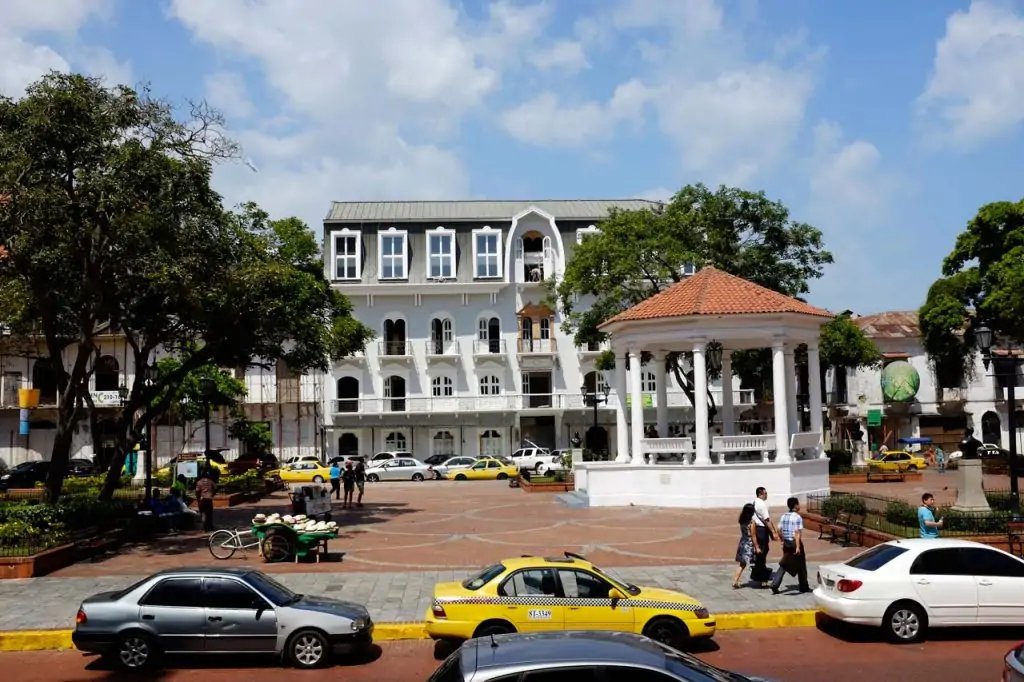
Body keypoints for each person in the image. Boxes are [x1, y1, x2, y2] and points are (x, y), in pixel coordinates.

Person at [771, 497, 811, 594]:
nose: (799, 505)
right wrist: (797, 547)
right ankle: (803, 586)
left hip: (786, 543)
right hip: (794, 543)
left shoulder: (784, 516)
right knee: (801, 564)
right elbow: (797, 533)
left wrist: (782, 540)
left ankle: (775, 583)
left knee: (785, 563)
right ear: (795, 505)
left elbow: (779, 530)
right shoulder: (797, 517)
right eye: (798, 504)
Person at [751, 487, 779, 587]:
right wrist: (773, 532)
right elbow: (767, 520)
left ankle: (758, 574)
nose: (767, 495)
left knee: (761, 552)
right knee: (762, 553)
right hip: (762, 530)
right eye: (765, 493)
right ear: (761, 494)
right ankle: (762, 578)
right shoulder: (762, 504)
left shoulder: (754, 502)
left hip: (757, 529)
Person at [732, 503, 758, 589]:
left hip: (742, 541)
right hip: (748, 544)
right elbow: (753, 536)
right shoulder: (751, 522)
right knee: (745, 563)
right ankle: (735, 581)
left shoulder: (742, 520)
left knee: (742, 563)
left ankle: (736, 581)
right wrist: (757, 547)